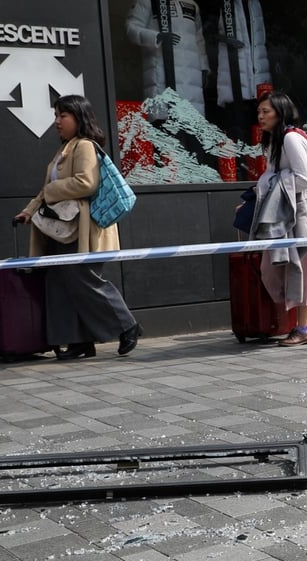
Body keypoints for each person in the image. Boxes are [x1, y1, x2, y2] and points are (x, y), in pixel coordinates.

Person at [14, 95, 141, 360]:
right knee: (59, 281)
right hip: (61, 228)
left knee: (83, 278)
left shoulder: (84, 146)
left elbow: (86, 183)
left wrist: (51, 190)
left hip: (80, 227)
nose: (57, 121)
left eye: (63, 116)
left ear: (79, 118)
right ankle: (77, 340)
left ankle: (127, 325)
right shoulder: (64, 149)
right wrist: (28, 211)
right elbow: (45, 191)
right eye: (56, 115)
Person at [249, 92, 307, 346]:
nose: (261, 116)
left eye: (266, 112)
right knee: (270, 270)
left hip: (301, 211)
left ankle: (303, 328)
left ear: (280, 112)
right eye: (259, 112)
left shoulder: (291, 138)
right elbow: (273, 175)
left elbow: (304, 179)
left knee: (301, 270)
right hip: (283, 212)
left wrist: (271, 185)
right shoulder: (273, 140)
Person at [126, 0, 210, 117]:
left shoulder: (192, 4)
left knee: (192, 125)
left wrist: (204, 66)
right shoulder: (147, 2)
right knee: (165, 123)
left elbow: (199, 40)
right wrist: (156, 37)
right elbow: (131, 28)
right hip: (161, 77)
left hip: (192, 80)